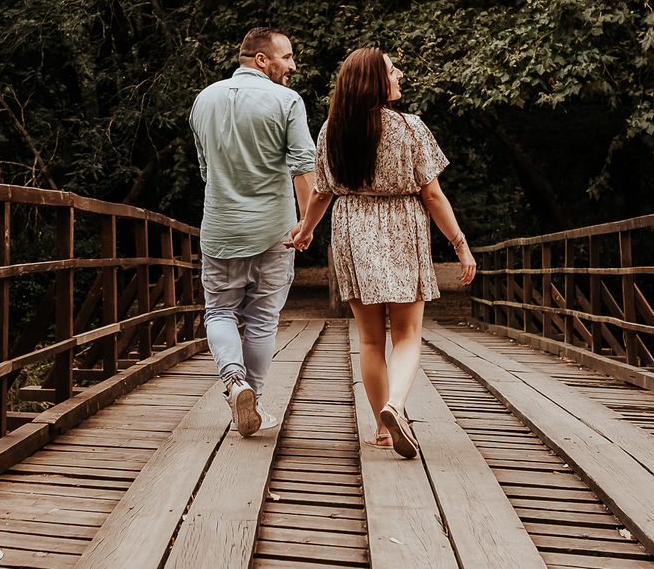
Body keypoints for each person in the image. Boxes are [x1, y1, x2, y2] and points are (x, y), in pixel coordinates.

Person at [285, 47, 475, 457]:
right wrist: (460, 244)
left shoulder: (331, 130)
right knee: (406, 335)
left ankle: (382, 430)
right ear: (373, 81)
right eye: (392, 70)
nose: (399, 74)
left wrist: (305, 230)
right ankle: (396, 406)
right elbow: (432, 195)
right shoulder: (410, 127)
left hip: (353, 228)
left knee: (370, 340)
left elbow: (322, 192)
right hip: (403, 227)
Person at [190, 27, 317, 437]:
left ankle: (234, 383)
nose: (292, 65)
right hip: (274, 231)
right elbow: (303, 164)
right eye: (287, 57)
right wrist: (306, 223)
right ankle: (254, 400)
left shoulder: (203, 100)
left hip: (221, 228)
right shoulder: (286, 101)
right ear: (262, 59)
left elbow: (206, 171)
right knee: (262, 318)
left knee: (219, 311)